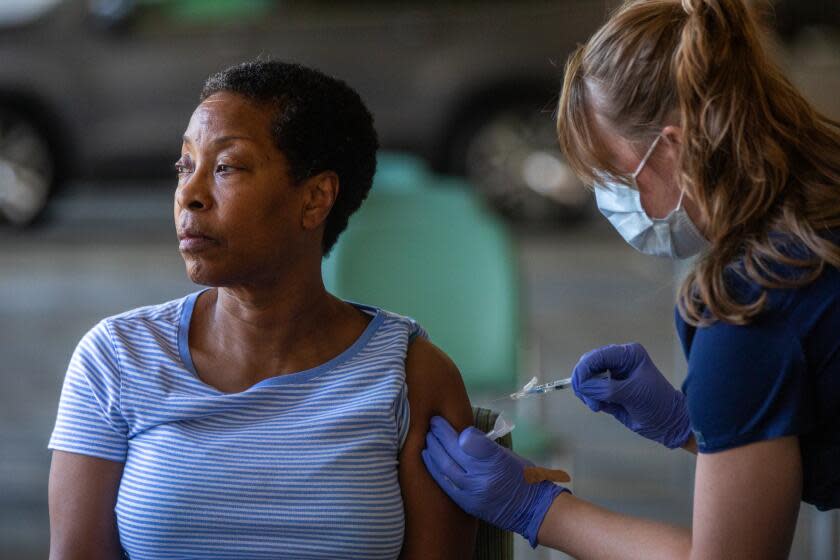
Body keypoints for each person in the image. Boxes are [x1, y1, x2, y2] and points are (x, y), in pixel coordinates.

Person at [422, 0, 840, 557]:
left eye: (615, 176)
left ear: (675, 145)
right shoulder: (821, 204)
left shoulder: (749, 304)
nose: (611, 203)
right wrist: (692, 426)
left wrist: (538, 509)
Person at [47, 60, 476, 559]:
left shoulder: (411, 378)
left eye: (226, 167)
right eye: (185, 166)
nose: (190, 194)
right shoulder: (117, 360)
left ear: (315, 199)